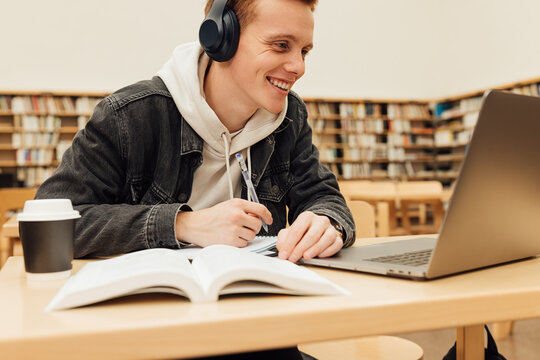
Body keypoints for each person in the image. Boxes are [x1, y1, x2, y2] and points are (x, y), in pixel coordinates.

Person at [37, 0, 355, 358]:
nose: (297, 66)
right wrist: (182, 224)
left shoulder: (289, 118)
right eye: (281, 45)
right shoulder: (130, 116)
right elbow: (55, 222)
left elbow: (322, 194)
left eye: (305, 51)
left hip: (260, 338)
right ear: (221, 36)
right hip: (152, 342)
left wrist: (327, 220)